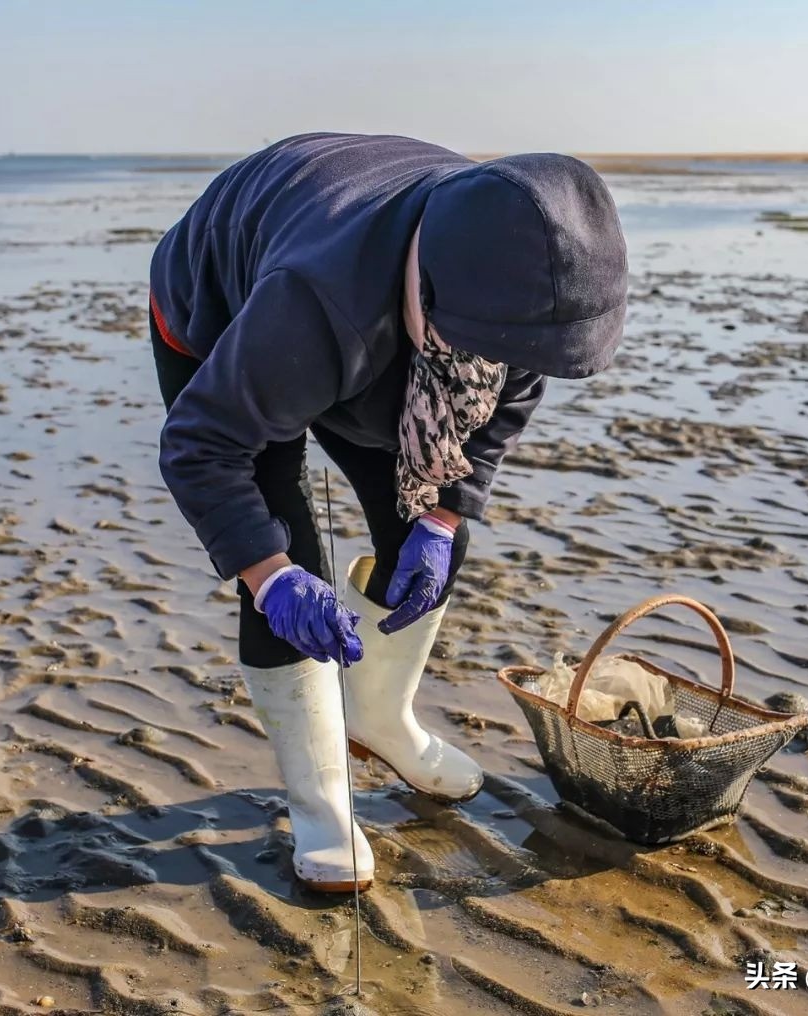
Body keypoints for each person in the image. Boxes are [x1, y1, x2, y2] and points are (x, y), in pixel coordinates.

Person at [148, 132, 628, 892]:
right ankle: (319, 803)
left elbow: (498, 418)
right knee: (289, 555)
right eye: (498, 352)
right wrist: (269, 576)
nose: (510, 371)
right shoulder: (313, 306)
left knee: (430, 532)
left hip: (377, 322)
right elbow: (201, 447)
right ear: (432, 295)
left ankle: (379, 719)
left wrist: (441, 523)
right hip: (227, 308)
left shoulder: (522, 284)